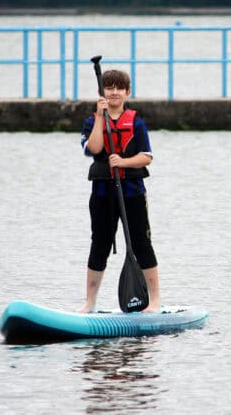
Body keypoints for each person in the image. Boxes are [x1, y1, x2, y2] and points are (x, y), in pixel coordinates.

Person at [78, 69, 161, 313]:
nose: (114, 92)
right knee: (99, 245)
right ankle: (90, 302)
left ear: (127, 92)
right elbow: (94, 148)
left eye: (118, 88)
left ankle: (155, 300)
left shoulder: (137, 122)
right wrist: (101, 117)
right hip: (103, 194)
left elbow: (147, 157)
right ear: (101, 93)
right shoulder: (92, 121)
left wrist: (123, 162)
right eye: (109, 88)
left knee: (141, 243)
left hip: (132, 192)